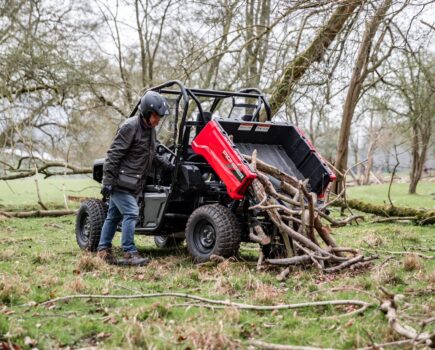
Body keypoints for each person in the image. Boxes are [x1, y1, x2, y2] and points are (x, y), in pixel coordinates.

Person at [96, 91, 171, 266]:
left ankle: (103, 250)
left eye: (159, 117)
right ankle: (129, 252)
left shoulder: (150, 131)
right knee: (131, 212)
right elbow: (113, 155)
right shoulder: (130, 127)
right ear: (146, 112)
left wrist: (169, 166)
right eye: (156, 116)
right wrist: (107, 182)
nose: (158, 120)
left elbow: (152, 154)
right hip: (120, 182)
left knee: (113, 216)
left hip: (133, 183)